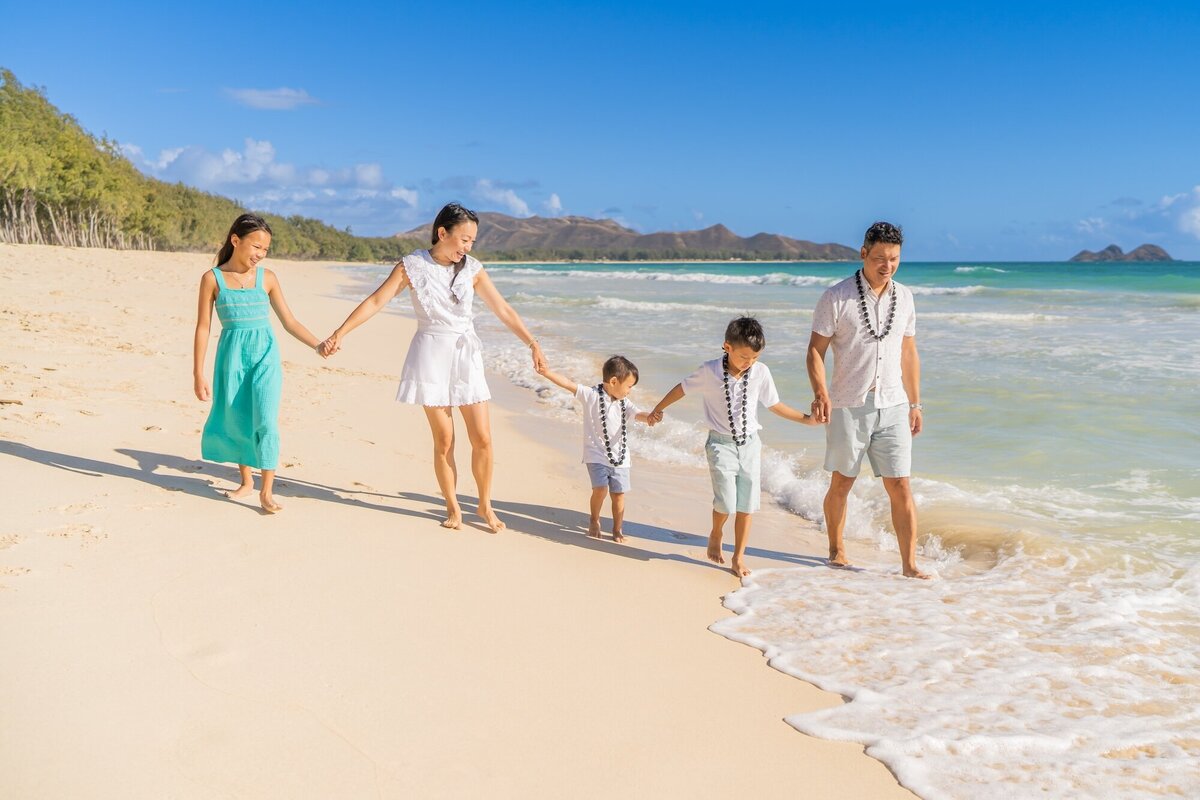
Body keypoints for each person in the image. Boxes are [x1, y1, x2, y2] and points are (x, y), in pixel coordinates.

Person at [320, 202, 545, 532]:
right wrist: (340, 332)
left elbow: (503, 310)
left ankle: (484, 505)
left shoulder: (473, 269)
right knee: (445, 440)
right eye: (464, 239)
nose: (467, 247)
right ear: (443, 233)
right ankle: (453, 506)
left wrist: (532, 342)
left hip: (466, 355)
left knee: (482, 437)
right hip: (430, 356)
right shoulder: (412, 266)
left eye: (472, 242)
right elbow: (375, 301)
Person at [806, 221, 929, 579]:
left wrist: (916, 403)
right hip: (848, 404)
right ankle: (836, 547)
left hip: (893, 404)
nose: (886, 266)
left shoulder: (905, 297)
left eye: (893, 259)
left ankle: (909, 565)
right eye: (879, 258)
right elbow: (815, 350)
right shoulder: (836, 297)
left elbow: (908, 352)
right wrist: (820, 392)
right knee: (843, 481)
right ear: (863, 254)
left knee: (901, 483)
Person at [649, 317, 817, 577]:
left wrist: (806, 420)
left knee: (747, 504)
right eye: (744, 356)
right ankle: (716, 533)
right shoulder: (710, 370)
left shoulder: (761, 372)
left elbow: (774, 404)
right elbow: (682, 389)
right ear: (727, 347)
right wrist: (658, 408)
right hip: (720, 444)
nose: (749, 362)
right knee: (726, 501)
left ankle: (738, 557)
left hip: (750, 444)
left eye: (755, 357)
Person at [194, 213, 324, 513]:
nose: (259, 254)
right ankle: (246, 482)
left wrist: (318, 344)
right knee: (240, 417)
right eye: (255, 247)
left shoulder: (267, 278)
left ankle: (267, 491)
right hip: (231, 357)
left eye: (265, 249)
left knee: (265, 420)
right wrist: (197, 373)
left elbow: (289, 321)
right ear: (235, 240)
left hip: (265, 356)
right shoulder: (211, 279)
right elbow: (203, 327)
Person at [536, 355, 656, 541]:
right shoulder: (591, 395)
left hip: (620, 458)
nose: (630, 391)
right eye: (629, 386)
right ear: (614, 381)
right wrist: (546, 372)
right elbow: (568, 383)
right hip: (596, 454)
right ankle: (594, 519)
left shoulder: (625, 403)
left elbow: (638, 414)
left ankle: (617, 529)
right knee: (600, 489)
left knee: (618, 495)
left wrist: (649, 417)